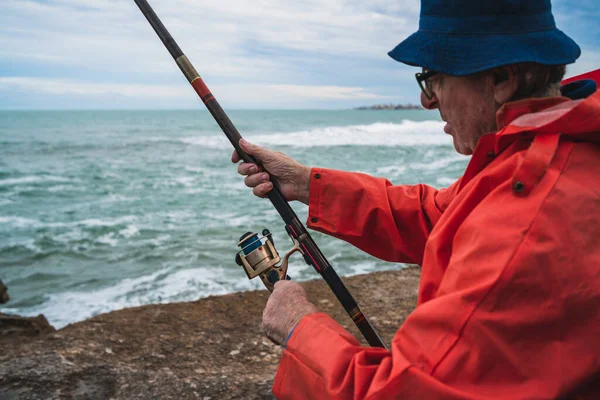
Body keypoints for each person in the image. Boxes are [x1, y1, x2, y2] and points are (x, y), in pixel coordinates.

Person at [232, 0, 600, 398]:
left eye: (433, 77)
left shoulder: (526, 222)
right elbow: (439, 217)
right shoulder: (554, 152)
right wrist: (307, 184)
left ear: (501, 78)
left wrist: (298, 327)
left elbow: (403, 392)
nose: (428, 100)